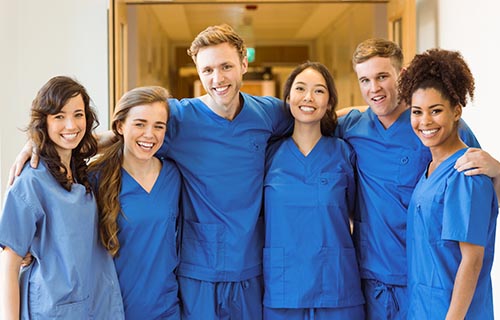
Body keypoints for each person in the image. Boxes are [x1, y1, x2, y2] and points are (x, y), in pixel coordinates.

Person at [335, 38, 500, 319]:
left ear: (401, 76)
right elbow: (312, 121)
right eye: (365, 80)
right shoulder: (352, 126)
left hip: (426, 276)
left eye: (382, 77)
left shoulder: (438, 129)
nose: (373, 88)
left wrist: (498, 169)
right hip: (373, 277)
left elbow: (479, 193)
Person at [0, 76, 124, 319]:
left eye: (78, 114)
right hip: (51, 308)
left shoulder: (77, 167)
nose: (71, 124)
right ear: (43, 121)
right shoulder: (31, 181)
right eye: (59, 116)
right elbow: (9, 264)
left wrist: (134, 126)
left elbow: (117, 137)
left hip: (94, 303)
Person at [399, 48, 497, 319]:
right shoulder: (431, 169)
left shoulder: (467, 172)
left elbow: (472, 260)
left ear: (456, 112)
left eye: (436, 110)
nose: (425, 121)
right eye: (417, 112)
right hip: (422, 308)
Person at [263, 61, 364, 319]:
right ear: (287, 98)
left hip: (337, 286)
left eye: (319, 91)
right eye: (300, 88)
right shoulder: (268, 155)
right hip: (284, 288)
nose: (308, 97)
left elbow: (357, 213)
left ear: (329, 102)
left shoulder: (344, 153)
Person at [88, 86, 181, 319]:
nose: (149, 134)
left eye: (158, 126)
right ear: (120, 126)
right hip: (113, 310)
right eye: (139, 124)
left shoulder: (174, 175)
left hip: (167, 308)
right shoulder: (95, 177)